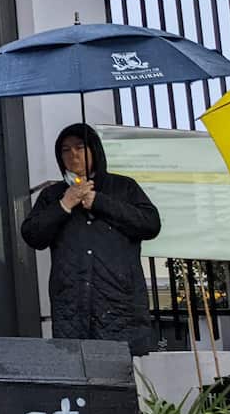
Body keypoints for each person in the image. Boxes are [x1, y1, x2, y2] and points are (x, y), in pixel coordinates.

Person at [21, 123, 161, 355]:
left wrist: (100, 202)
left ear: (94, 149)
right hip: (72, 306)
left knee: (119, 378)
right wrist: (64, 205)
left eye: (80, 147)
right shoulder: (52, 195)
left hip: (118, 304)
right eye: (65, 150)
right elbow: (32, 235)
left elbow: (150, 224)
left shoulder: (123, 187)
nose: (73, 154)